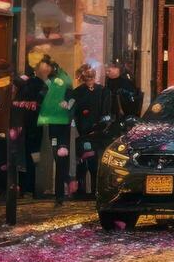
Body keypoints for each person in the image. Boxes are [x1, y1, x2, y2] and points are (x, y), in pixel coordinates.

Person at [35, 56, 77, 205]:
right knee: (57, 156)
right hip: (53, 123)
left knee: (61, 157)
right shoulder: (48, 82)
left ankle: (61, 192)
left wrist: (68, 104)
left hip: (63, 123)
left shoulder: (63, 80)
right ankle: (65, 184)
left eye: (47, 68)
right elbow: (41, 96)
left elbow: (72, 97)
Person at [69, 63, 113, 198]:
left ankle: (92, 190)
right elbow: (74, 112)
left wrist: (100, 126)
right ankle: (87, 190)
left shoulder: (102, 91)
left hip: (95, 132)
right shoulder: (79, 92)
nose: (90, 80)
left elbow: (106, 112)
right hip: (88, 132)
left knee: (90, 161)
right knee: (86, 160)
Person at [12, 58, 47, 197]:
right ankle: (31, 188)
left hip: (22, 125)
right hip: (34, 126)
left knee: (22, 156)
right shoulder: (42, 86)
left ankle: (23, 187)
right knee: (33, 156)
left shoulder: (22, 85)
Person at [103, 61, 143, 138]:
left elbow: (132, 95)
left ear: (117, 69)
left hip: (124, 109)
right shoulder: (108, 80)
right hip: (113, 109)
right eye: (107, 70)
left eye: (110, 70)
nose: (108, 72)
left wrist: (122, 93)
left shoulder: (125, 80)